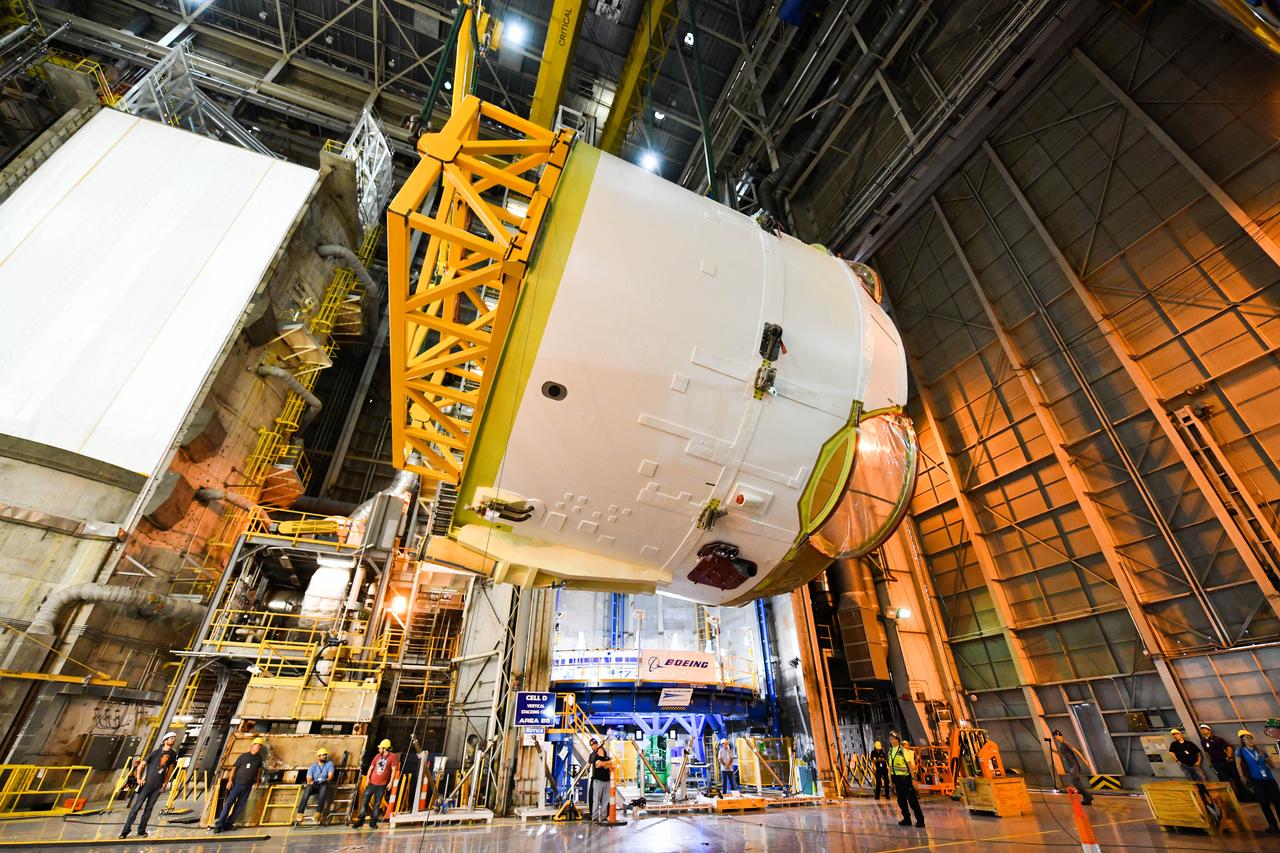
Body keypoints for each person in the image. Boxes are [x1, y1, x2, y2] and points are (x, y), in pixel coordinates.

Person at [120, 731, 178, 839]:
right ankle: (125, 831)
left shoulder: (173, 754)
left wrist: (165, 783)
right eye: (171, 738)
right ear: (165, 740)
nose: (173, 740)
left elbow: (170, 770)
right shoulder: (155, 753)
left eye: (174, 738)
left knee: (149, 809)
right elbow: (141, 765)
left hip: (158, 786)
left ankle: (141, 831)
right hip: (147, 785)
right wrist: (138, 779)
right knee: (136, 808)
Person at [214, 737, 265, 833]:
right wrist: (230, 781)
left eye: (260, 746)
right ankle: (219, 825)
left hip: (248, 786)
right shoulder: (243, 757)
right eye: (258, 745)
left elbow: (259, 771)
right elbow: (234, 768)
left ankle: (228, 823)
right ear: (252, 746)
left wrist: (257, 782)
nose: (259, 747)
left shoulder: (259, 758)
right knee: (229, 803)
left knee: (240, 806)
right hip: (237, 784)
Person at [1235, 729, 1280, 834]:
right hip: (1256, 780)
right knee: (1264, 803)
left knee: (1278, 802)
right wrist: (1241, 776)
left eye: (1250, 737)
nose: (1249, 739)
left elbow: (1272, 766)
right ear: (1242, 740)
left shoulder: (1260, 751)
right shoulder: (1240, 751)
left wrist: (1268, 759)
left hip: (1269, 780)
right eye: (1246, 738)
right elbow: (1238, 764)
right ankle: (1273, 825)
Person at [355, 739, 399, 830]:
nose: (379, 750)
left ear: (385, 748)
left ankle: (373, 823)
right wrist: (367, 778)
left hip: (381, 785)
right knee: (364, 802)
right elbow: (371, 768)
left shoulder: (392, 757)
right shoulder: (377, 756)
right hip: (371, 783)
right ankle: (360, 821)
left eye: (380, 748)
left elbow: (393, 771)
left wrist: (390, 782)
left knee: (377, 804)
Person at [887, 731, 923, 827]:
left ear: (898, 740)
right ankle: (907, 819)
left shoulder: (903, 750)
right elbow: (891, 767)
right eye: (890, 739)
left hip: (905, 779)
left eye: (893, 739)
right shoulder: (890, 751)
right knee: (901, 801)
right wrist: (891, 781)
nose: (891, 741)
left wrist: (914, 778)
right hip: (896, 779)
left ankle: (920, 820)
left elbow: (909, 765)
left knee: (912, 800)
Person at [1051, 730, 1093, 805]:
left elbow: (1076, 751)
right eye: (1055, 736)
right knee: (1077, 783)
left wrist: (1085, 761)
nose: (1056, 737)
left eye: (1057, 736)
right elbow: (1063, 755)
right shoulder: (1060, 746)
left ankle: (1088, 796)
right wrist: (1054, 751)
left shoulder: (1065, 743)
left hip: (1074, 766)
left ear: (1061, 735)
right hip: (1071, 767)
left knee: (1075, 783)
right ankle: (1087, 798)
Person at [295, 747, 335, 824]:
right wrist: (313, 783)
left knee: (324, 787)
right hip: (314, 784)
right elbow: (308, 779)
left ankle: (318, 812)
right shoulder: (313, 766)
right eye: (322, 755)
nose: (325, 756)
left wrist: (326, 781)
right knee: (307, 788)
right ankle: (300, 813)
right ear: (318, 757)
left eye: (325, 755)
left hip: (323, 783)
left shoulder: (329, 764)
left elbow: (330, 776)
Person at [1198, 724, 1241, 792]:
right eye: (1201, 729)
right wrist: (1209, 762)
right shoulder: (1202, 741)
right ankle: (1233, 796)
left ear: (1209, 730)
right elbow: (1206, 752)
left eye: (1204, 728)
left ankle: (1244, 795)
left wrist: (1229, 756)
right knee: (1225, 781)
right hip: (1216, 764)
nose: (1203, 730)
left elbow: (1228, 747)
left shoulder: (1217, 739)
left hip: (1226, 762)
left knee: (1236, 779)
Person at [588, 738, 612, 824]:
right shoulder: (595, 757)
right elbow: (599, 764)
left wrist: (607, 763)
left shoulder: (606, 757)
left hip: (607, 781)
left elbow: (607, 766)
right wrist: (608, 762)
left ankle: (603, 817)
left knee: (605, 801)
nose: (601, 750)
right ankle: (594, 818)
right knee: (596, 800)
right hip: (597, 781)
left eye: (595, 744)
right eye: (592, 745)